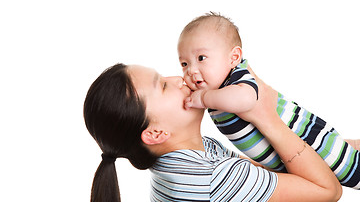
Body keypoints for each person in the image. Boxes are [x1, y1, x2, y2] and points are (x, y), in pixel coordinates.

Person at [84, 63, 341, 201]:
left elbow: (276, 170)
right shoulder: (213, 177)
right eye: (162, 86)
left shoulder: (192, 154)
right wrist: (265, 116)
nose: (179, 78)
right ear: (155, 133)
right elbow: (328, 191)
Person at [177, 12, 360, 190]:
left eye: (201, 58)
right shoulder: (216, 88)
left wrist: (203, 98)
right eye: (184, 63)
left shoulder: (237, 78)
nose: (191, 70)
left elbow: (246, 100)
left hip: (309, 141)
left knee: (353, 171)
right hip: (293, 154)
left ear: (234, 58)